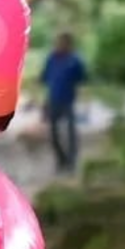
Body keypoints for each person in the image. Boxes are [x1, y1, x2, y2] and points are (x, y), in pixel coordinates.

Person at [39, 31, 88, 173]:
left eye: (62, 42)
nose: (59, 45)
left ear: (69, 44)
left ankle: (71, 162)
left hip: (68, 101)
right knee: (53, 134)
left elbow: (82, 79)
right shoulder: (52, 59)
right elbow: (44, 78)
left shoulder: (75, 60)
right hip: (53, 100)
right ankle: (61, 160)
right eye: (58, 42)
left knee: (70, 133)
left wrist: (84, 99)